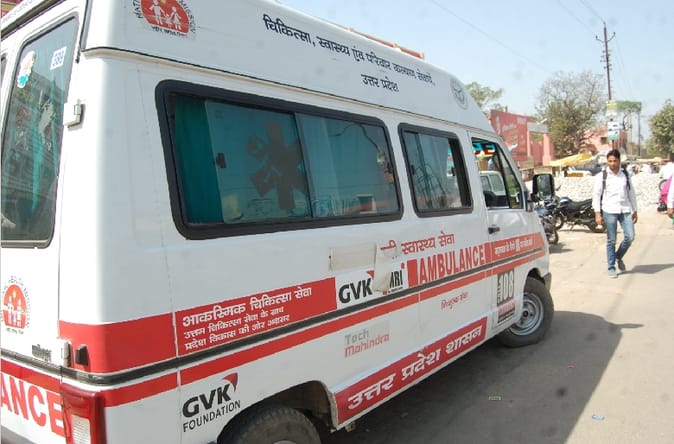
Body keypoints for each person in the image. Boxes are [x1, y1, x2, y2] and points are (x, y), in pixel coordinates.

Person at [592, 149, 638, 278]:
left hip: (625, 209)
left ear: (619, 161)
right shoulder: (602, 176)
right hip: (609, 210)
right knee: (611, 240)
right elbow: (596, 195)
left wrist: (635, 210)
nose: (612, 163)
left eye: (615, 161)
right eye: (610, 161)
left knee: (630, 237)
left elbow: (631, 193)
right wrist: (597, 213)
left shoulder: (625, 175)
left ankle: (618, 256)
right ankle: (611, 267)